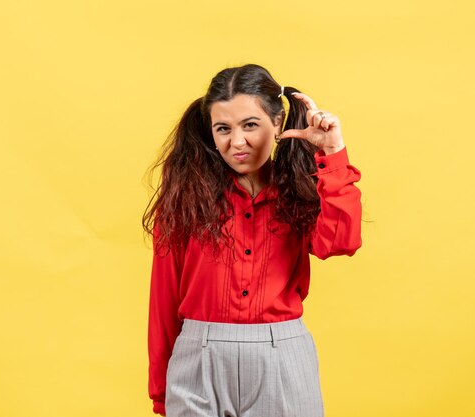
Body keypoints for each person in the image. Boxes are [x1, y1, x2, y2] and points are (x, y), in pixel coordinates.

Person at [142, 63, 362, 417]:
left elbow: (340, 242)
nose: (237, 142)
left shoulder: (302, 190)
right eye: (223, 129)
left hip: (282, 359)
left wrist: (332, 153)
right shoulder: (186, 199)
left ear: (277, 123)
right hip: (198, 359)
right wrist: (161, 393)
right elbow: (164, 300)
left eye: (250, 125)